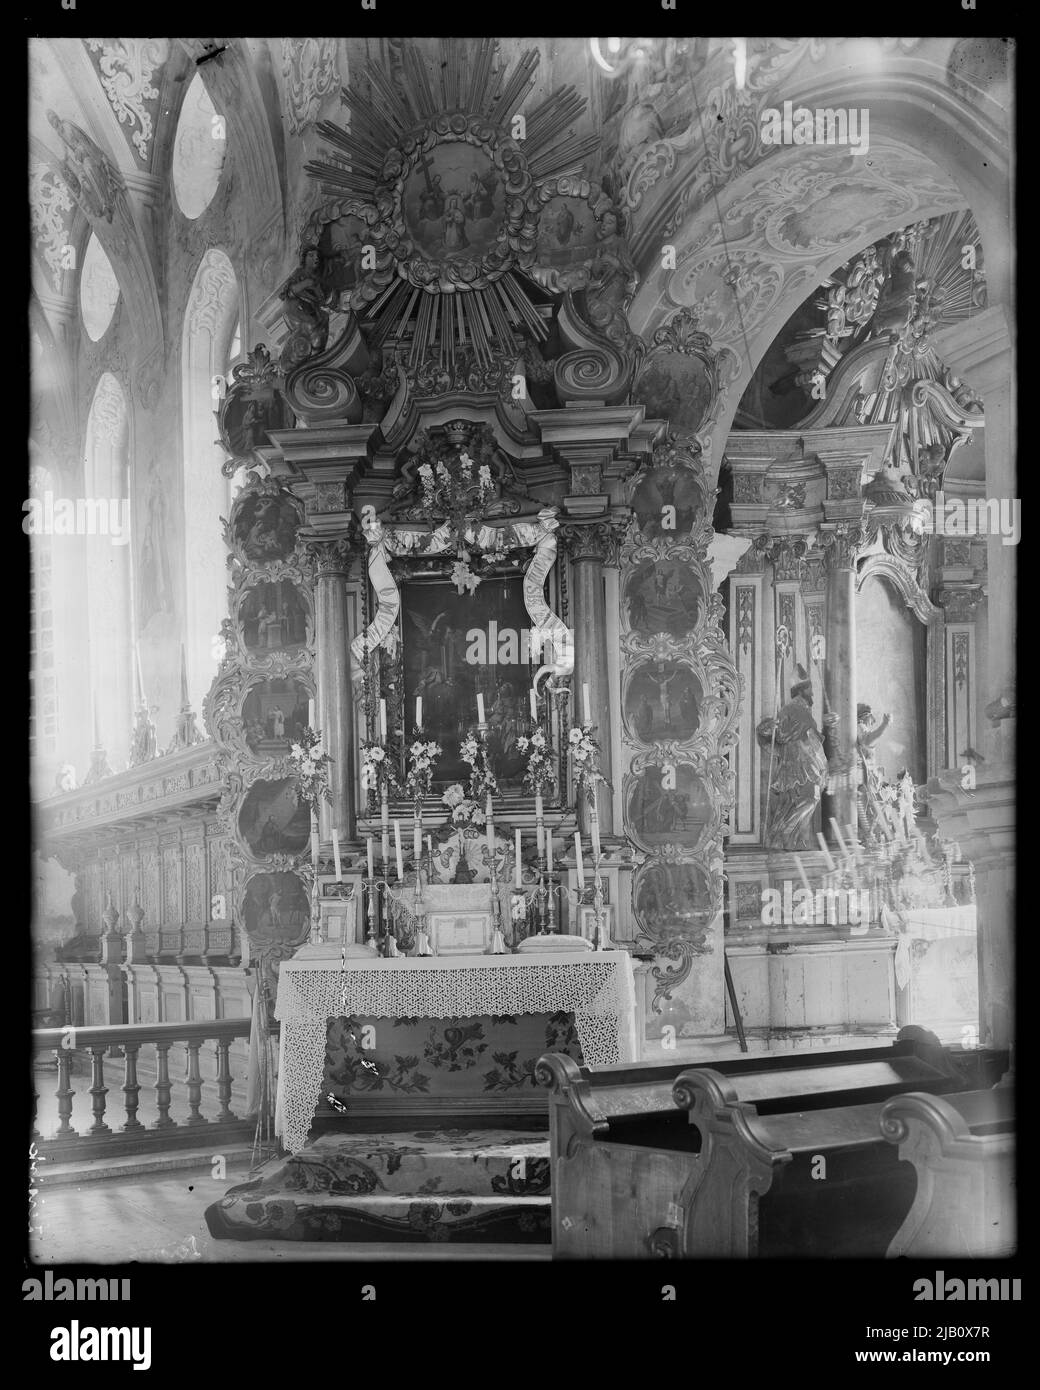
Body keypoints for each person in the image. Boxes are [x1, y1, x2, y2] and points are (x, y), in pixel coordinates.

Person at [757, 667, 835, 850]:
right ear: (801, 691)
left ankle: (792, 838)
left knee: (807, 800)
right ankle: (783, 833)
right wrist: (770, 727)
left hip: (811, 767)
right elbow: (781, 733)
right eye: (810, 689)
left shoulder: (805, 711)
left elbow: (812, 738)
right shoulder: (791, 709)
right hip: (799, 767)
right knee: (807, 799)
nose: (813, 692)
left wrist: (828, 726)